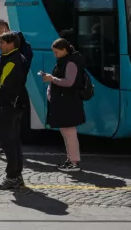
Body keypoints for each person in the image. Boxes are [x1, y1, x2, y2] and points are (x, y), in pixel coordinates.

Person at [0, 20, 32, 159]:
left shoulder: (18, 50)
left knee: (6, 121)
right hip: (9, 94)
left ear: (6, 29)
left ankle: (2, 149)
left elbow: (16, 70)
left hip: (11, 95)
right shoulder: (11, 51)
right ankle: (0, 147)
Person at [0, 31, 28, 190]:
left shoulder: (12, 61)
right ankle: (17, 176)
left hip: (8, 107)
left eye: (2, 43)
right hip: (14, 106)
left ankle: (12, 177)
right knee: (13, 142)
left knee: (8, 143)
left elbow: (4, 87)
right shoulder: (14, 58)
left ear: (11, 44)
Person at [42, 38, 86, 173]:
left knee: (69, 132)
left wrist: (52, 79)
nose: (55, 55)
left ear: (64, 50)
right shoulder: (66, 61)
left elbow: (69, 82)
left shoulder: (70, 62)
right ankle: (71, 159)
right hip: (65, 101)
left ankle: (74, 161)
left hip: (68, 102)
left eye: (56, 52)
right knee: (66, 132)